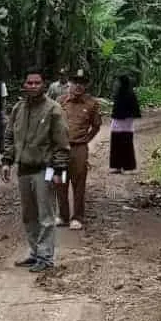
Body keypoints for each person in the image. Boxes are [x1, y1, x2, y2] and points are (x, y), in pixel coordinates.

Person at [2, 68, 70, 272]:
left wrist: (59, 172)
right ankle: (35, 253)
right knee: (28, 215)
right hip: (23, 168)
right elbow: (9, 136)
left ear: (44, 85)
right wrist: (6, 161)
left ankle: (46, 257)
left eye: (36, 83)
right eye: (29, 83)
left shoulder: (54, 109)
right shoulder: (18, 108)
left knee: (46, 214)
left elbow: (62, 144)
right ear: (24, 85)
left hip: (45, 169)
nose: (32, 86)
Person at [56, 69, 102, 230]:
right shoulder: (60, 101)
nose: (78, 86)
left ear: (85, 86)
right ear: (69, 83)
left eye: (82, 83)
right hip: (60, 148)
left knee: (79, 182)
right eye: (75, 82)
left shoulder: (91, 104)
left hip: (79, 148)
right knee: (60, 181)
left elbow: (96, 125)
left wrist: (86, 140)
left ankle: (77, 217)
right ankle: (62, 215)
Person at [109, 75, 142, 174]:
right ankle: (117, 166)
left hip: (126, 124)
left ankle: (128, 167)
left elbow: (134, 110)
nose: (116, 84)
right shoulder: (118, 93)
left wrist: (127, 116)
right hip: (116, 124)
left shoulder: (130, 94)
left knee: (126, 145)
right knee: (116, 145)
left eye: (118, 82)